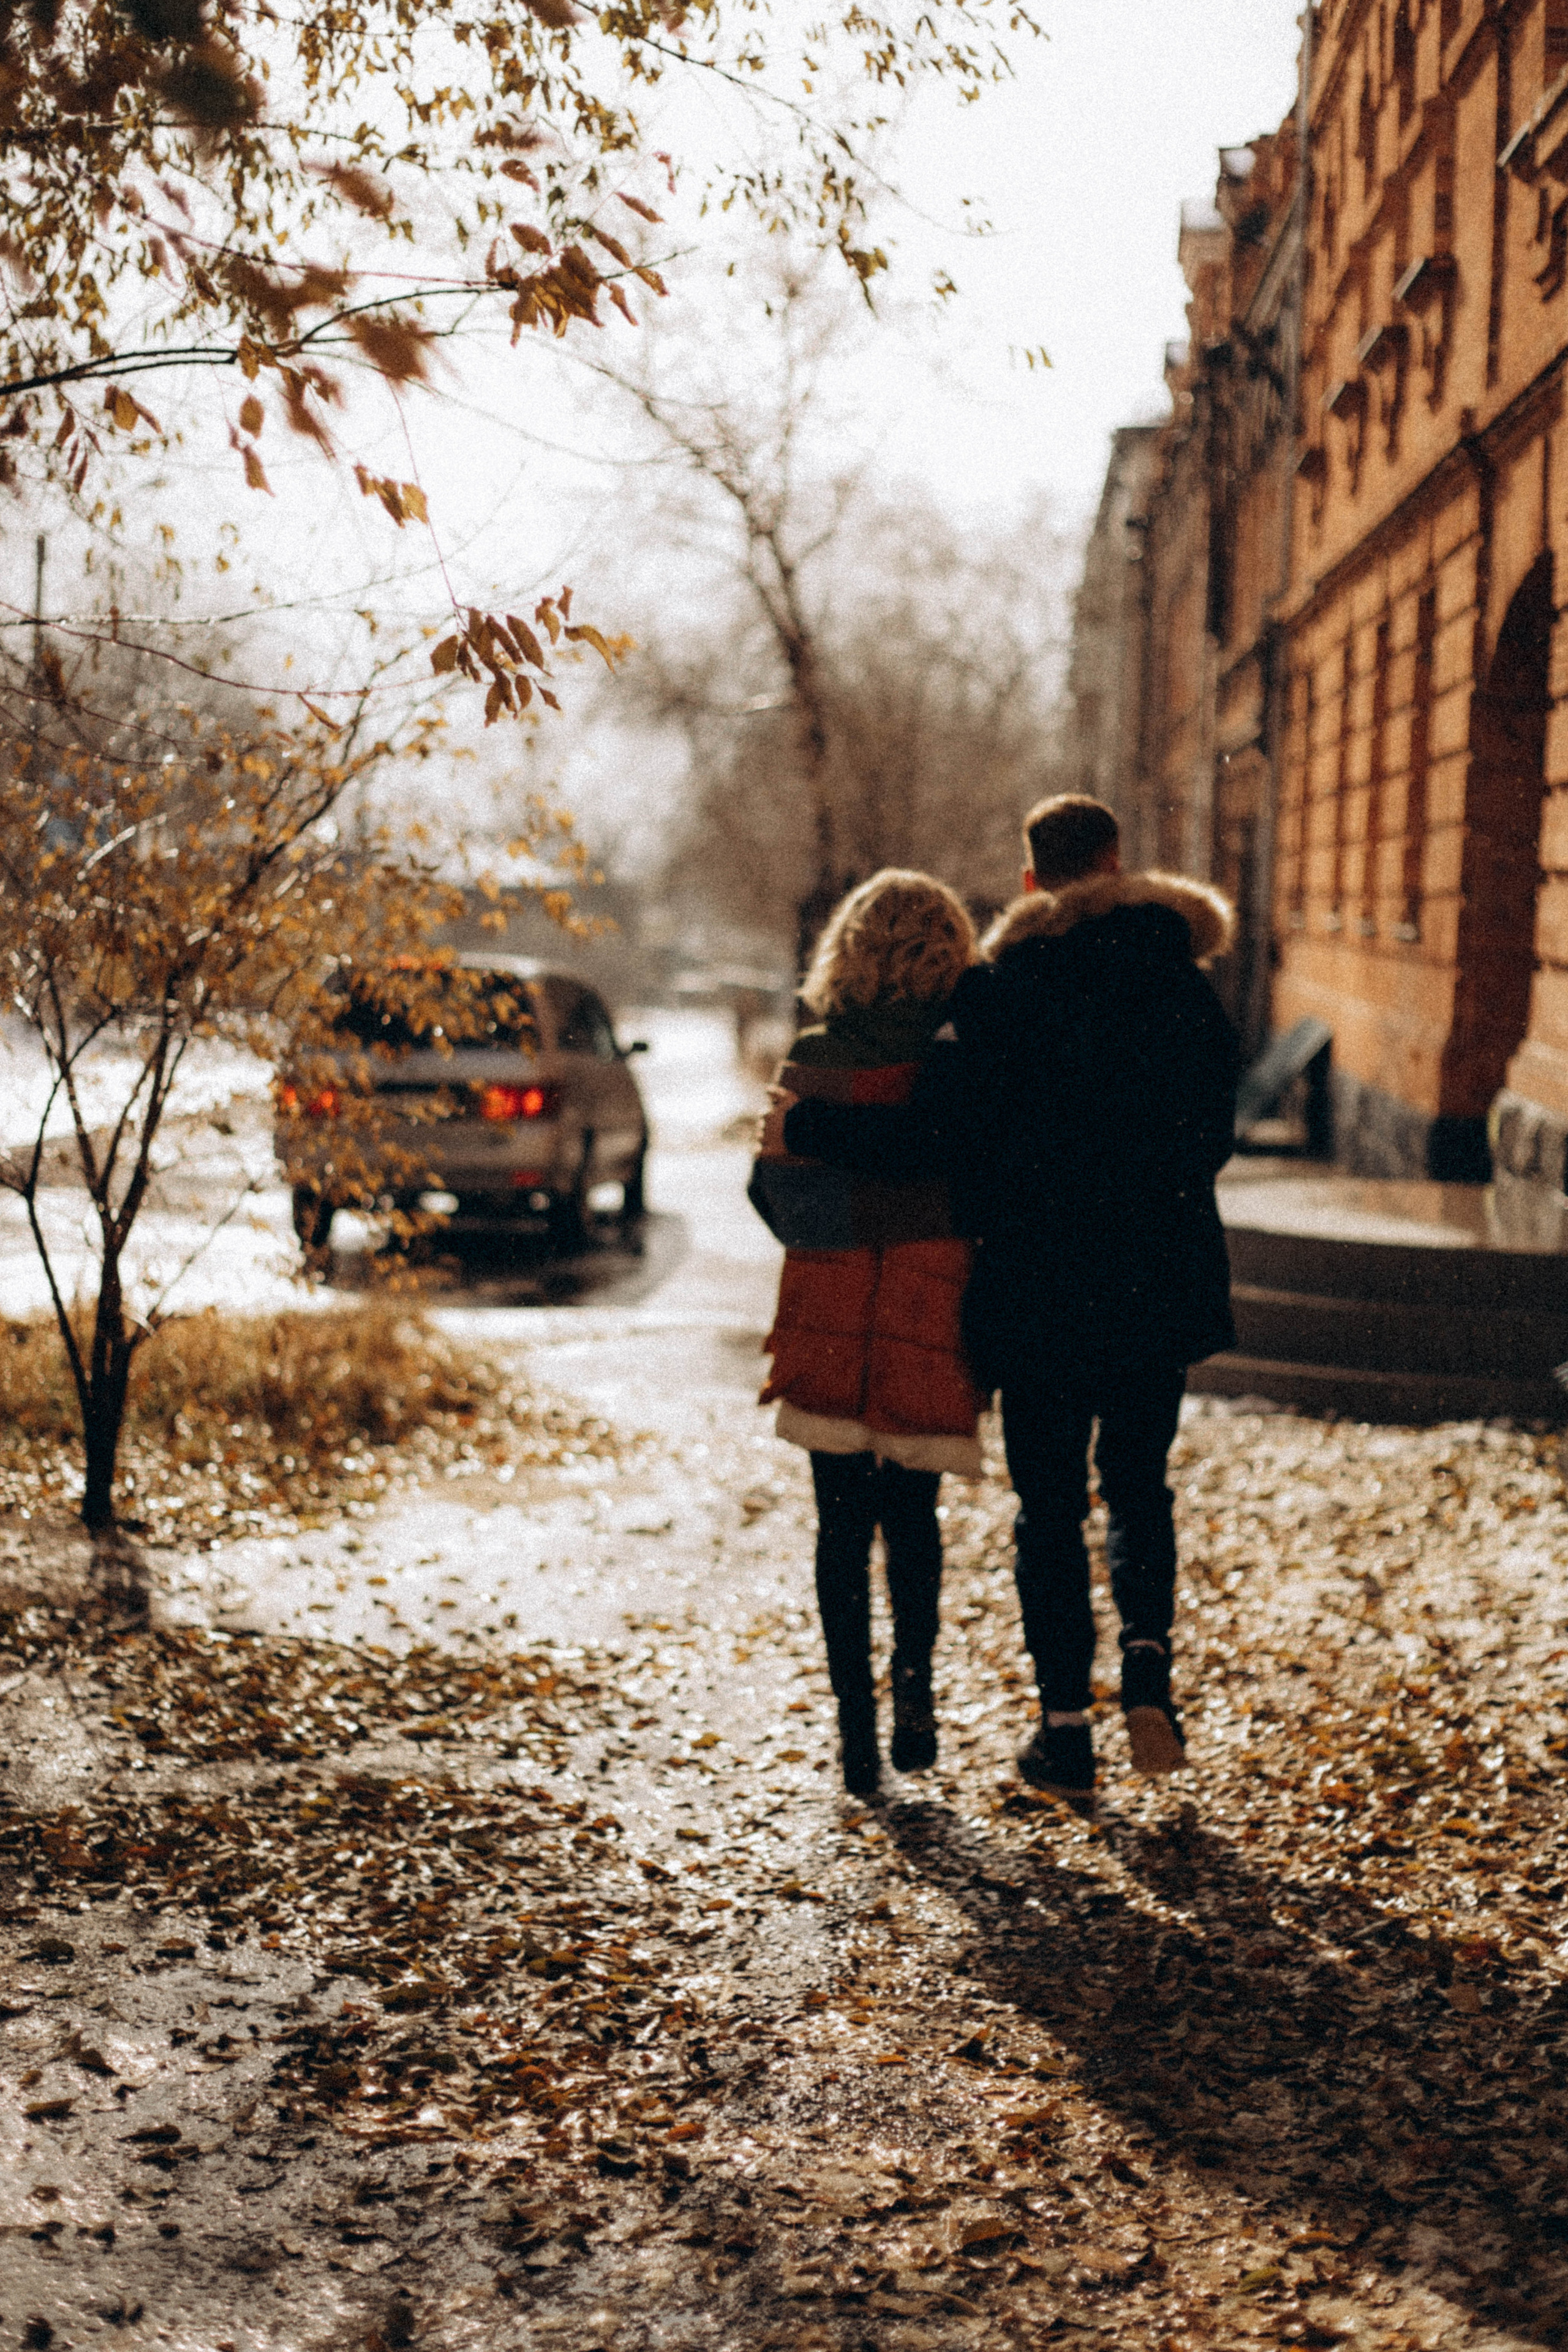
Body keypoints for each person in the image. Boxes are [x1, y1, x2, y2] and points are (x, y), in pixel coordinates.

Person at [782, 797, 1239, 1815]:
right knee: (1140, 1485)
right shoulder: (1182, 981)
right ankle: (1149, 1669)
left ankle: (1064, 1730)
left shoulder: (1003, 992)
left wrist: (816, 1128)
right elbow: (1216, 1132)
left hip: (1040, 1284)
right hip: (1157, 1275)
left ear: (1032, 881)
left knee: (1051, 1507)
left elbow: (942, 1137)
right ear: (1116, 864)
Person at [749, 870, 986, 1798]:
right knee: (914, 1516)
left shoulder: (815, 1054)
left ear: (846, 951)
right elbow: (969, 1177)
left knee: (839, 1526)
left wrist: (842, 1213)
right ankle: (914, 1689)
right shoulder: (958, 1055)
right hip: (933, 1292)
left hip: (830, 1296)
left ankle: (855, 1729)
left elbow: (773, 1192)